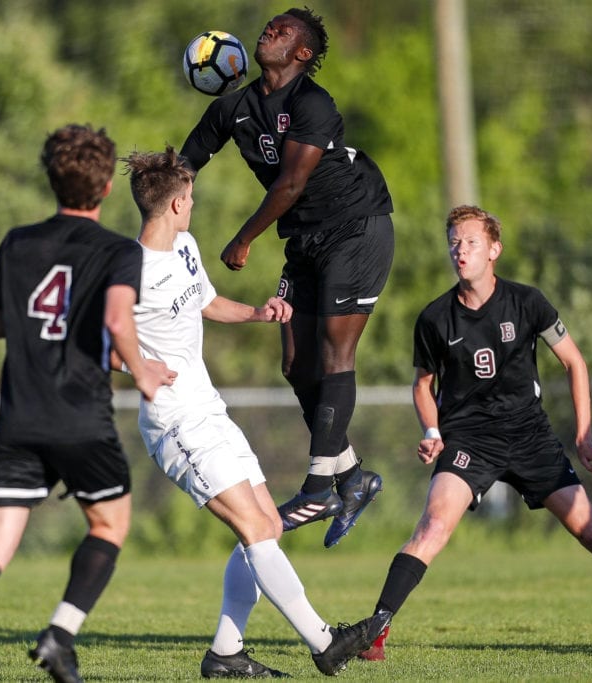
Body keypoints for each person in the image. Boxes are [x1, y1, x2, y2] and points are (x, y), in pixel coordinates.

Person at [358, 205, 592, 661]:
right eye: (454, 242)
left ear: (494, 249)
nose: (461, 251)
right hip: (468, 441)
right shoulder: (435, 318)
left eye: (471, 242)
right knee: (434, 525)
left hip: (529, 437)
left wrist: (583, 437)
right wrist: (432, 429)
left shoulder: (527, 302)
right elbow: (422, 386)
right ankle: (376, 630)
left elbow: (574, 362)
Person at [121, 147, 391, 678]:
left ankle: (225, 652)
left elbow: (206, 302)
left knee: (266, 523)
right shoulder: (129, 271)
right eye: (191, 197)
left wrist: (259, 312)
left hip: (209, 410)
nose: (193, 205)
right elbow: (94, 338)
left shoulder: (185, 247)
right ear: (176, 204)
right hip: (175, 422)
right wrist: (137, 368)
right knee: (257, 530)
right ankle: (324, 641)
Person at [0, 124, 175, 683]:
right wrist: (143, 372)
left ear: (51, 181)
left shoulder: (18, 242)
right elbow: (117, 320)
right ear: (106, 189)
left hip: (19, 416)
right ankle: (59, 634)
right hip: (80, 416)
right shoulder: (117, 251)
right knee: (110, 524)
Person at [180, 7, 394, 547]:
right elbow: (185, 163)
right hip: (305, 240)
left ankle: (320, 484)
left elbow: (291, 184)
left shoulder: (311, 103)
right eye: (269, 24)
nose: (268, 30)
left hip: (355, 225)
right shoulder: (234, 108)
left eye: (283, 30)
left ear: (302, 53)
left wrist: (243, 238)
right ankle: (352, 477)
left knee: (332, 351)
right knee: (296, 364)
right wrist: (152, 188)